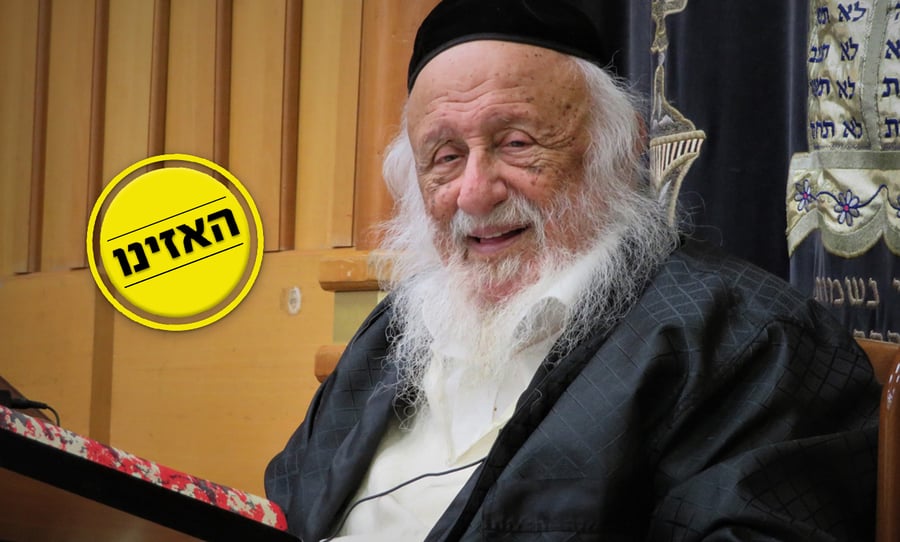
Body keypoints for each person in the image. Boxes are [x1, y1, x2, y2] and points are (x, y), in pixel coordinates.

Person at [265, 1, 881, 540]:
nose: (474, 194)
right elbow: (284, 507)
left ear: (621, 148)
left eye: (517, 143)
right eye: (445, 157)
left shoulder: (749, 340)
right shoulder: (396, 330)